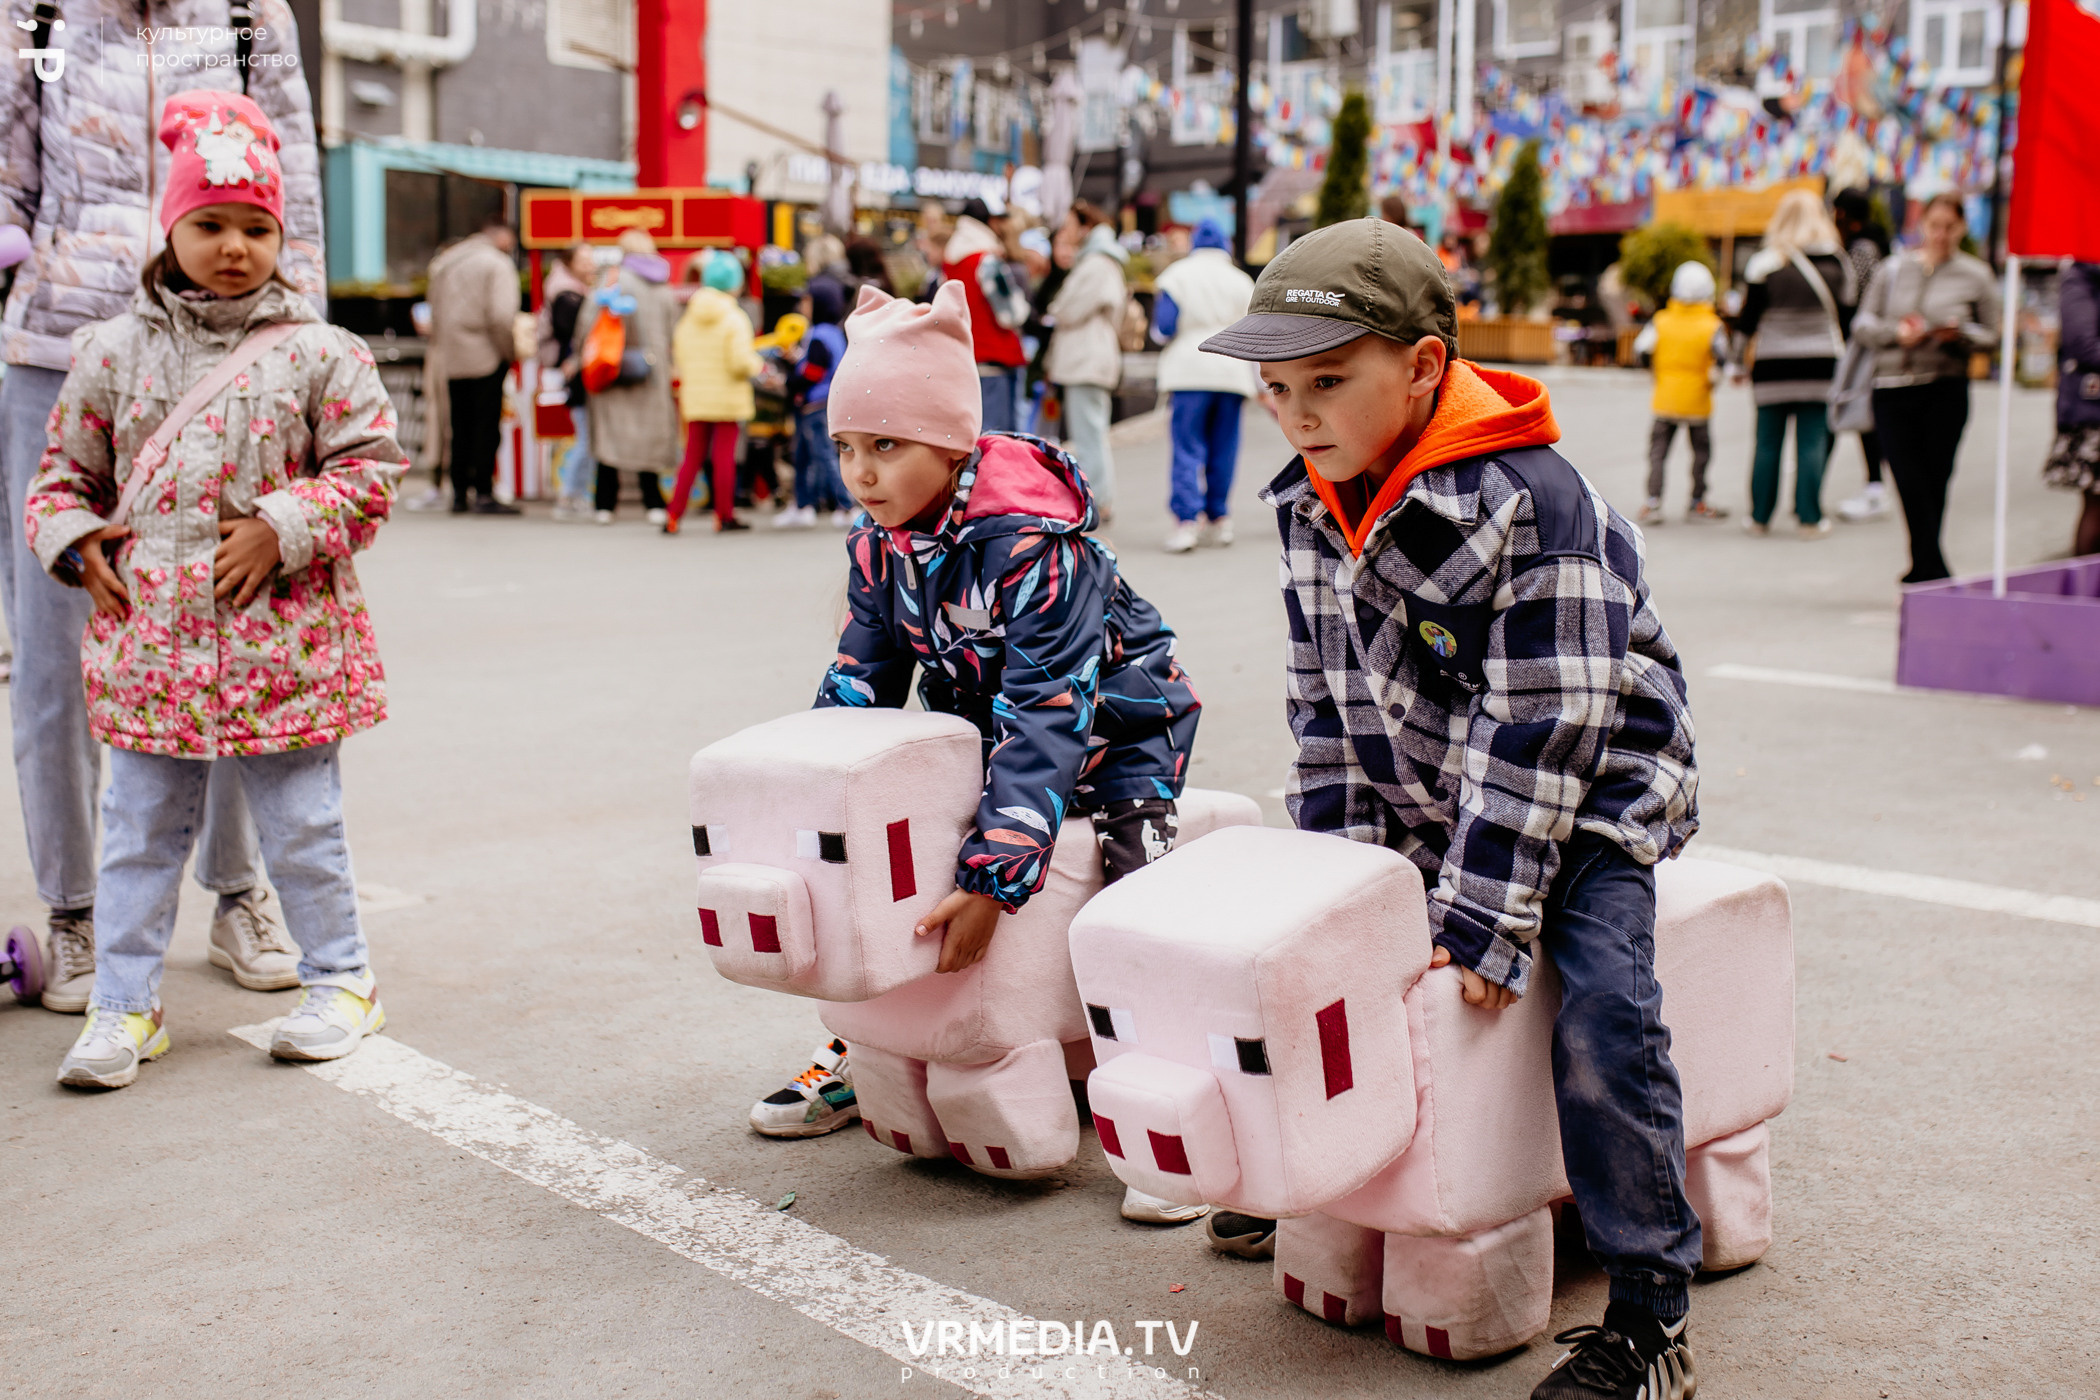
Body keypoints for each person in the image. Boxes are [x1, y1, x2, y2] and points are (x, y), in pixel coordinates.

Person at [1199, 218, 1703, 1397]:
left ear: (1423, 367)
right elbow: (1321, 705)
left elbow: (1547, 730)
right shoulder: (1313, 497)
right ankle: (1331, 1182)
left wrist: (1480, 914)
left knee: (1601, 1007)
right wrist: (1339, 885)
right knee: (1335, 966)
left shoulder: (1538, 504)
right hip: (1427, 789)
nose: (1299, 411)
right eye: (1277, 389)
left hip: (1588, 793)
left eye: (1328, 381)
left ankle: (1648, 1311)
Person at [751, 279, 1208, 1231]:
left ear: (953, 440)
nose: (861, 472)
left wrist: (998, 880)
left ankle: (1166, 1113)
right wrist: (809, 811)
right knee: (874, 852)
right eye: (846, 447)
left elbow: (1053, 711)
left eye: (886, 445)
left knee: (1137, 909)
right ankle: (863, 1046)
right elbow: (857, 690)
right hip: (986, 729)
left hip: (1118, 733)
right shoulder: (879, 545)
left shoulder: (1033, 543)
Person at [23, 92, 408, 1088]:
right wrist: (74, 542)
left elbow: (370, 473)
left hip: (283, 645)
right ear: (172, 226)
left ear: (281, 234)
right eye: (210, 223)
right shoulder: (110, 351)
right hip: (149, 650)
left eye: (256, 226)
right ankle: (123, 1004)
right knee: (136, 833)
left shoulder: (324, 352)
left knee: (304, 828)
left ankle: (343, 980)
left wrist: (285, 528)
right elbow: (60, 480)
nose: (233, 245)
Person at [0, 2, 323, 1014]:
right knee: (55, 653)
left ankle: (233, 890)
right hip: (59, 348)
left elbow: (295, 188)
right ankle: (76, 910)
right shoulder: (34, 8)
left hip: (223, 352)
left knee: (229, 623)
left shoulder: (244, 13)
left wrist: (303, 351)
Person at [1853, 193, 2002, 583]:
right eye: (1934, 226)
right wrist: (1896, 333)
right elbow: (1862, 324)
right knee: (1907, 476)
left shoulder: (1975, 275)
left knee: (1936, 477)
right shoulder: (1893, 270)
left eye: (1949, 227)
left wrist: (1961, 332)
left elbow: (1994, 335)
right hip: (1893, 385)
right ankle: (1931, 566)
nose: (1940, 235)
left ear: (1962, 228)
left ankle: (1925, 566)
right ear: (1922, 226)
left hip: (1944, 385)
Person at [1735, 189, 1856, 538]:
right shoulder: (1838, 262)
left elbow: (1747, 321)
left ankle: (1759, 517)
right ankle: (1809, 518)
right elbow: (1848, 314)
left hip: (1772, 363)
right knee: (1813, 441)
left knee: (1767, 442)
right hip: (1821, 363)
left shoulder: (1765, 263)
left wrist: (1736, 363)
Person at [1151, 219, 1255, 553]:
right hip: (1231, 370)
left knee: (1187, 446)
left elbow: (1163, 327)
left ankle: (1186, 522)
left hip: (1189, 368)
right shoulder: (1242, 281)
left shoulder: (1177, 275)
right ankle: (1219, 517)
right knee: (1225, 446)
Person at [575, 229, 680, 525]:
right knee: (649, 436)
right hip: (652, 372)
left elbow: (586, 324)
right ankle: (653, 502)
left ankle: (605, 504)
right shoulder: (664, 286)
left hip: (613, 368)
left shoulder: (612, 280)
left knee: (611, 437)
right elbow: (673, 330)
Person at [426, 214, 523, 517]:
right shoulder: (497, 264)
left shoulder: (446, 264)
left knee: (458, 426)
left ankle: (457, 493)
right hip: (486, 354)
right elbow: (501, 316)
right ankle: (483, 491)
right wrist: (508, 351)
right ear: (503, 236)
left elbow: (434, 311)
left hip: (452, 356)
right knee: (485, 427)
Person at [667, 251, 761, 534]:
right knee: (723, 457)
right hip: (728, 396)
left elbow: (679, 354)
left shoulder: (689, 316)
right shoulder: (735, 317)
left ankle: (673, 515)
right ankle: (724, 515)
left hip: (696, 394)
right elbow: (740, 361)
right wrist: (758, 365)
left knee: (692, 456)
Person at [1046, 203, 1130, 521]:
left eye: (1069, 225)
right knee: (1090, 431)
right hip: (1091, 358)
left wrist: (1055, 309)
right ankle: (1098, 498)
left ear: (1085, 226)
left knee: (1089, 433)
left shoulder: (1096, 263)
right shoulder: (1101, 261)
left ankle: (1098, 500)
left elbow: (1067, 308)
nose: (1065, 232)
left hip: (1086, 359)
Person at [1632, 261, 1731, 523]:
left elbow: (1641, 349)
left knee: (1658, 453)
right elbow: (1722, 357)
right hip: (1698, 400)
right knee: (1701, 452)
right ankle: (1697, 501)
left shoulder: (1661, 320)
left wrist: (1652, 371)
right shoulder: (1712, 324)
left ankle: (1653, 503)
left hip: (1665, 398)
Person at [1832, 188, 1894, 522]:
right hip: (1870, 338)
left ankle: (1875, 487)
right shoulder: (1877, 243)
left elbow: (1853, 293)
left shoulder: (1862, 249)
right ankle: (1874, 486)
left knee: (1862, 409)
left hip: (1863, 341)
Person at [942, 198, 1030, 434]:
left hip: (965, 358)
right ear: (990, 222)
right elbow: (1012, 314)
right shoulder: (987, 260)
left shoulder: (950, 262)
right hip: (996, 358)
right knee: (1001, 440)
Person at [776, 275, 851, 530]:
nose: (802, 306)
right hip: (824, 402)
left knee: (823, 456)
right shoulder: (833, 333)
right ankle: (803, 504)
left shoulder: (818, 335)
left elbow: (814, 372)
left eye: (806, 301)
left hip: (816, 404)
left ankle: (846, 505)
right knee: (804, 456)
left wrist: (789, 382)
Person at [2046, 263, 2100, 558]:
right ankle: (2086, 595)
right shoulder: (2081, 275)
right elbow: (2083, 344)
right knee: (2097, 506)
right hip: (2092, 413)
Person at [544, 245, 601, 522]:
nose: (590, 265)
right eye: (584, 260)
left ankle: (575, 494)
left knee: (586, 437)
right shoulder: (567, 295)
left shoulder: (573, 289)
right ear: (569, 263)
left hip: (577, 370)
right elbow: (573, 332)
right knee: (586, 438)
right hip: (577, 373)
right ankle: (570, 495)